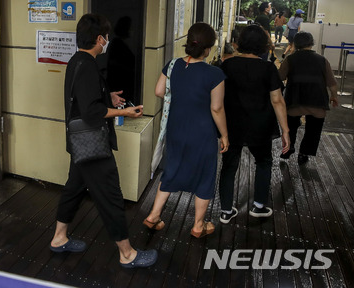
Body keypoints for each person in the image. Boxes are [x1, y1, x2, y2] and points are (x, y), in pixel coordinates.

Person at [49, 14, 156, 268]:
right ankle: (127, 254)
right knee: (111, 196)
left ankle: (59, 238)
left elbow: (85, 99)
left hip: (79, 144)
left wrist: (109, 98)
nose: (107, 41)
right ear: (100, 39)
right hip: (93, 146)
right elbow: (90, 112)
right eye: (106, 37)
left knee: (74, 189)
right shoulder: (87, 65)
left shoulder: (77, 60)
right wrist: (124, 112)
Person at [144, 23, 228, 238]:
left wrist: (181, 97)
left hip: (176, 128)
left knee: (171, 169)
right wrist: (225, 135)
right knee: (205, 176)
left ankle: (153, 216)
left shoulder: (172, 65)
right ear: (208, 49)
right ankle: (199, 226)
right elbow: (216, 108)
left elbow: (159, 91)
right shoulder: (214, 74)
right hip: (202, 132)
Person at [218, 25, 290, 223]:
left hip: (232, 124)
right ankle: (258, 206)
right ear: (263, 46)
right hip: (261, 124)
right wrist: (285, 129)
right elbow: (277, 100)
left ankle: (225, 210)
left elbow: (218, 98)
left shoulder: (227, 65)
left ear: (240, 43)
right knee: (264, 161)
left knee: (229, 166)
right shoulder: (267, 68)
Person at [280, 32, 339, 163]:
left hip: (295, 99)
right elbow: (332, 83)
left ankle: (287, 149)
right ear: (312, 44)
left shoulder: (290, 59)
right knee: (313, 129)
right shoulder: (322, 60)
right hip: (317, 100)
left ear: (295, 44)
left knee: (290, 127)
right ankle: (304, 153)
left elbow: (280, 77)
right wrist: (334, 96)